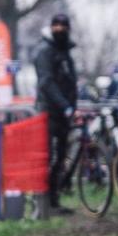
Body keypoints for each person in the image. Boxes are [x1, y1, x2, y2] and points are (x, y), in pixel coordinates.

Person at [32, 13, 79, 214]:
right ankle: (42, 202)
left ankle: (53, 200)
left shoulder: (65, 52)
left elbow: (70, 82)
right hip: (48, 112)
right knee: (47, 157)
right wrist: (65, 105)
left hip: (63, 113)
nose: (60, 29)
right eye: (56, 25)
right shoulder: (44, 51)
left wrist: (71, 106)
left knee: (60, 157)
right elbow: (46, 82)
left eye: (63, 26)